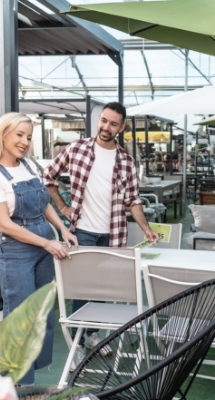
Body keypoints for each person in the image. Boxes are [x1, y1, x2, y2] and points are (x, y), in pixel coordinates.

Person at [42, 102, 160, 367]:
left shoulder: (126, 161)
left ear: (121, 127)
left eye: (113, 123)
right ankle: (76, 347)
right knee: (83, 289)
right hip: (81, 232)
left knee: (102, 287)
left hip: (112, 234)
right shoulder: (76, 149)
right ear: (99, 120)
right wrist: (62, 207)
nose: (106, 127)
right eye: (104, 121)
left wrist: (146, 229)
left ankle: (93, 335)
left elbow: (134, 199)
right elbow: (47, 176)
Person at [0, 113, 79, 387]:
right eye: (19, 135)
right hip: (17, 249)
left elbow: (44, 205)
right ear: (3, 135)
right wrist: (47, 242)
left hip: (44, 243)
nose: (24, 142)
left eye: (28, 137)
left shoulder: (28, 166)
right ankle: (16, 382)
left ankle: (31, 374)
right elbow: (5, 225)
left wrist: (63, 229)